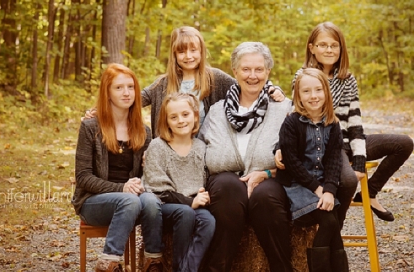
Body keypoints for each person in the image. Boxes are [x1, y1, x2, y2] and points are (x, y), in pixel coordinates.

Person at [278, 21, 414, 224]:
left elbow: (355, 123)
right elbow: (296, 114)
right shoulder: (304, 76)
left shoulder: (348, 79)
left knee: (403, 143)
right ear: (312, 48)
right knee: (349, 179)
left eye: (334, 45)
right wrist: (281, 147)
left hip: (350, 141)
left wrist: (359, 160)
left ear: (341, 48)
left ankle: (371, 193)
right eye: (323, 45)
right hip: (328, 144)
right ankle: (335, 228)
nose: (329, 50)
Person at [198, 42, 293, 272]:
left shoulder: (284, 109)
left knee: (265, 195)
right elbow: (198, 153)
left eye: (259, 69)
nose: (253, 76)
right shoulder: (217, 111)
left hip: (270, 181)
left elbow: (298, 158)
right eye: (246, 69)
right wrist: (197, 186)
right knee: (229, 186)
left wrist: (268, 173)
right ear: (235, 72)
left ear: (268, 72)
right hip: (225, 186)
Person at [83, 26, 285, 134]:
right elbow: (133, 98)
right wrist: (101, 109)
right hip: (169, 147)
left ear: (201, 51)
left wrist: (272, 89)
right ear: (174, 54)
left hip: (203, 148)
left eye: (193, 50)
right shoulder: (163, 83)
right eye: (182, 51)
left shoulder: (215, 78)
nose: (188, 56)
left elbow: (246, 83)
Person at [72, 63, 163, 272]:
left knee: (151, 200)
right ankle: (109, 262)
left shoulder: (143, 131)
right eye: (119, 87)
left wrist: (146, 170)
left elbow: (144, 178)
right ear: (108, 93)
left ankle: (153, 262)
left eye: (131, 87)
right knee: (129, 199)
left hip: (133, 202)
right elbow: (83, 177)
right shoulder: (90, 127)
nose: (126, 93)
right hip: (93, 202)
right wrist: (121, 188)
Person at [277, 68, 348, 271]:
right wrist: (318, 189)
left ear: (326, 92)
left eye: (318, 90)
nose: (313, 96)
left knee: (332, 220)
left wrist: (329, 190)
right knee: (329, 221)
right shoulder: (291, 123)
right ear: (298, 95)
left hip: (322, 185)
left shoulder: (332, 123)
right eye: (306, 91)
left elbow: (335, 159)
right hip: (298, 184)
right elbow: (291, 162)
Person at [143, 93, 215, 272]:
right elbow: (158, 189)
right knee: (185, 213)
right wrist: (190, 202)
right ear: (166, 121)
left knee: (208, 221)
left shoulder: (201, 147)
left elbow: (208, 178)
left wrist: (203, 195)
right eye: (173, 117)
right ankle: (177, 266)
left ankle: (186, 269)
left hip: (192, 205)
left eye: (185, 114)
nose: (180, 120)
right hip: (163, 207)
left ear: (195, 116)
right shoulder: (158, 146)